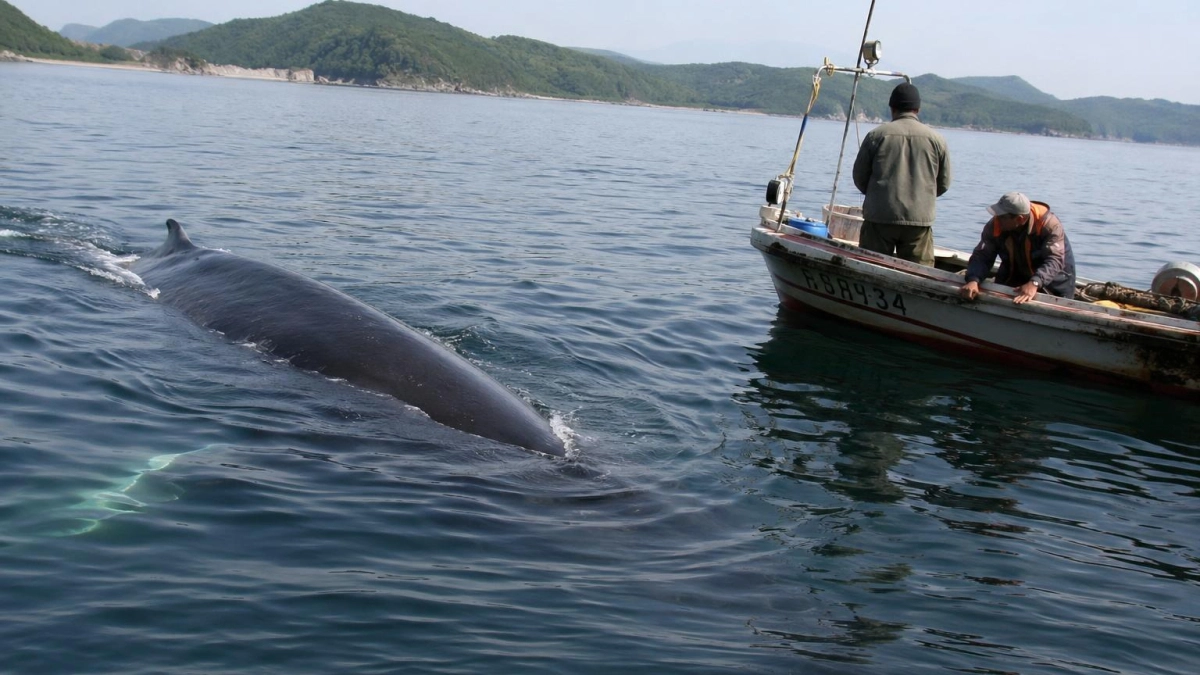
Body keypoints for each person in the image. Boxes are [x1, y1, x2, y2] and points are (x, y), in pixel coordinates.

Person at [852, 82, 952, 266]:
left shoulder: (877, 136)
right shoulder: (937, 140)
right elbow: (944, 183)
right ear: (918, 109)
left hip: (880, 217)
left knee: (871, 269)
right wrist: (922, 197)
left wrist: (879, 195)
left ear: (892, 108)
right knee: (919, 276)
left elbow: (859, 177)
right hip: (919, 220)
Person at [959, 192, 1076, 304]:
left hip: (1055, 281)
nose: (996, 219)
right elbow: (983, 255)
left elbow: (1054, 260)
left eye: (1001, 217)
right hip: (1015, 272)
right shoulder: (995, 225)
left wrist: (1035, 282)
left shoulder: (1049, 225)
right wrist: (973, 279)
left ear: (1019, 219)